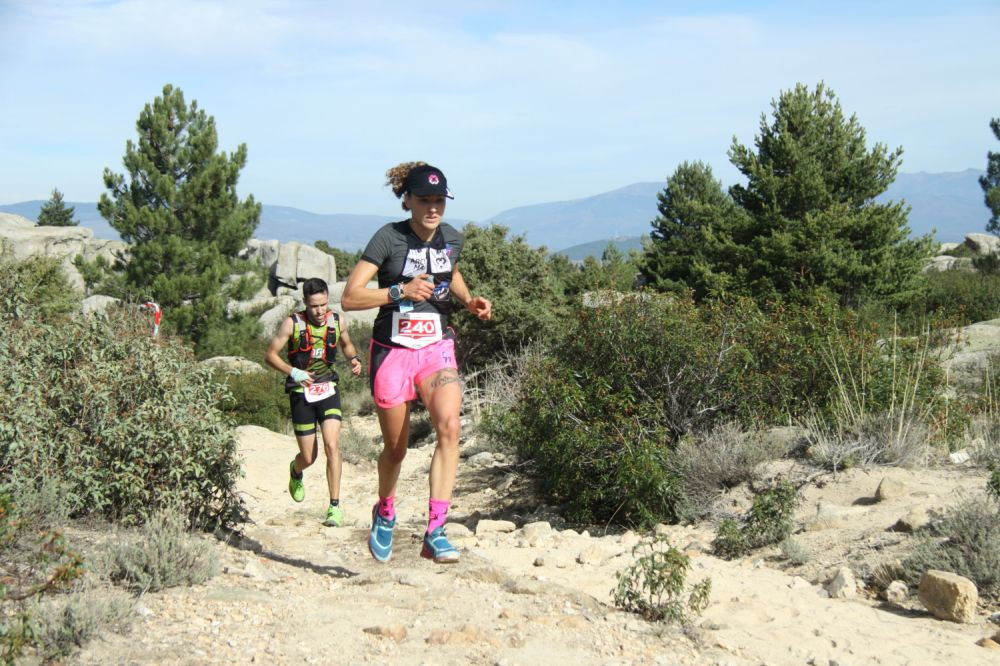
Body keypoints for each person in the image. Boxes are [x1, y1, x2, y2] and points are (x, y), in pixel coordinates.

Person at [341, 162, 492, 564]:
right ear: (407, 200)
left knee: (450, 425)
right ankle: (385, 510)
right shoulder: (388, 238)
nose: (433, 208)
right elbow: (350, 297)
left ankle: (436, 529)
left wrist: (468, 300)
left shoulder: (452, 239)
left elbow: (450, 270)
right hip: (392, 350)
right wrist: (398, 291)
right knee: (396, 448)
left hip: (436, 346)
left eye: (439, 200)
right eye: (425, 200)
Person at [265, 277, 363, 527]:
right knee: (309, 457)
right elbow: (270, 355)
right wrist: (293, 372)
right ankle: (296, 471)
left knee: (333, 445)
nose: (319, 311)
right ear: (305, 304)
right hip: (301, 391)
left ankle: (334, 507)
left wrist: (354, 359)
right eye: (313, 306)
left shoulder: (337, 320)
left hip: (328, 387)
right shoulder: (292, 324)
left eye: (322, 305)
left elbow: (347, 344)